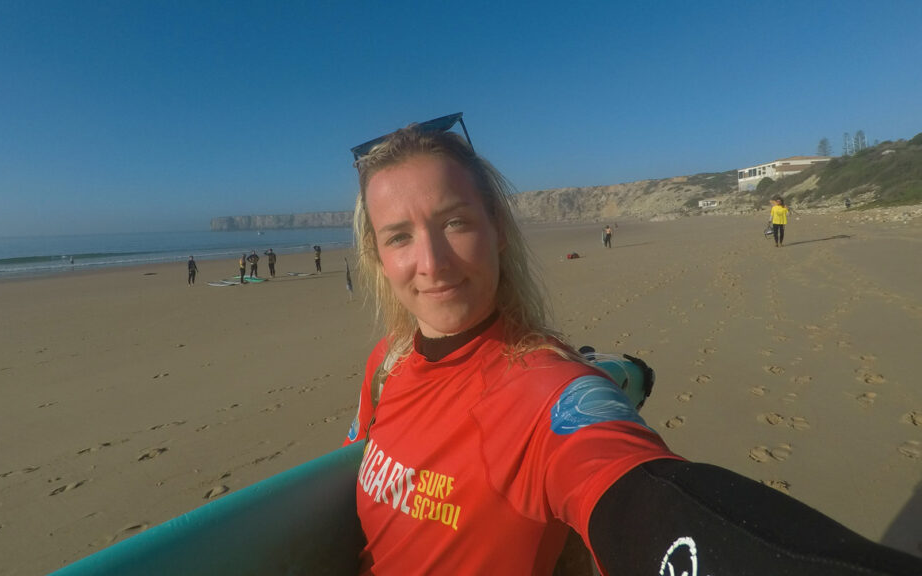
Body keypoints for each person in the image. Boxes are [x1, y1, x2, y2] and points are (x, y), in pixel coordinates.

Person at [342, 114, 921, 576]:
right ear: (379, 257)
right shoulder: (386, 366)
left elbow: (642, 496)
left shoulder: (545, 392)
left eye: (454, 222)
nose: (431, 263)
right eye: (400, 236)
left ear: (495, 227)